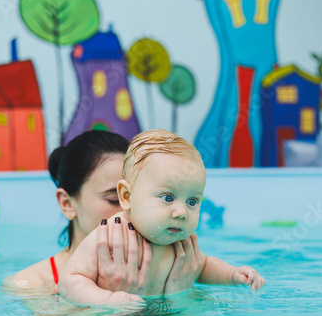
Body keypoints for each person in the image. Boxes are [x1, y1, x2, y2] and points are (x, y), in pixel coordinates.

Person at [59, 130, 265, 305]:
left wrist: (232, 275)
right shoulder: (108, 236)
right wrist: (107, 299)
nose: (181, 212)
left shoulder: (178, 241)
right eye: (168, 198)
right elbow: (71, 281)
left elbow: (203, 266)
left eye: (192, 201)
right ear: (127, 196)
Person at [8, 130, 203, 295]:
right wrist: (113, 302)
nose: (131, 211)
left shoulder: (182, 265)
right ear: (67, 203)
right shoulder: (30, 286)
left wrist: (179, 295)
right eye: (115, 199)